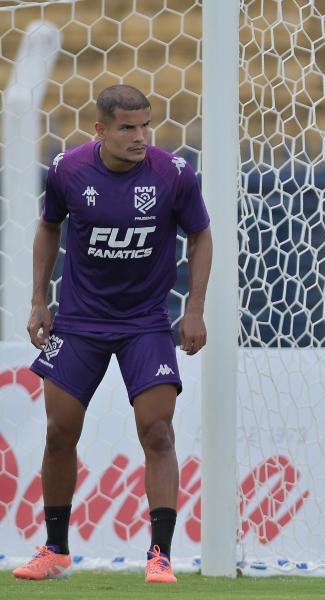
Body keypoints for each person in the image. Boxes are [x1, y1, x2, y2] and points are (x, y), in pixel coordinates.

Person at [13, 84, 213, 584]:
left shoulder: (174, 175)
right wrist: (40, 299)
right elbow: (48, 226)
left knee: (158, 430)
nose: (141, 136)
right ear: (101, 130)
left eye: (146, 124)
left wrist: (195, 309)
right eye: (128, 127)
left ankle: (160, 555)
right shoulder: (68, 171)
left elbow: (201, 234)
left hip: (145, 322)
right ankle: (56, 550)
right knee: (59, 431)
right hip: (79, 322)